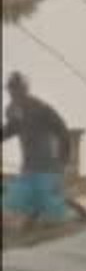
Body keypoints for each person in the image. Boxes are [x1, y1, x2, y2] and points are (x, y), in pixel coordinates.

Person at [2, 72, 72, 232]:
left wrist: (64, 158)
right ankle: (31, 227)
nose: (13, 93)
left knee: (49, 205)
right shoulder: (12, 109)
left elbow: (62, 130)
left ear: (25, 89)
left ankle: (59, 231)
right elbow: (12, 128)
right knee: (21, 199)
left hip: (48, 164)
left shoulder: (41, 108)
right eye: (11, 90)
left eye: (17, 89)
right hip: (29, 164)